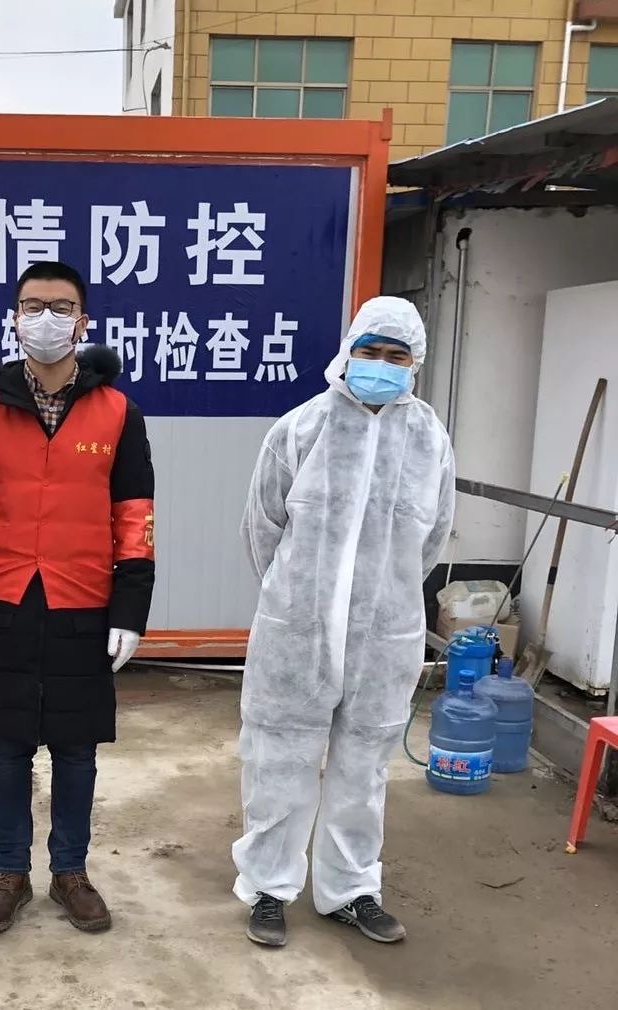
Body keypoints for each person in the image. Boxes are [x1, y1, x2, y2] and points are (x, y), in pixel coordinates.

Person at [0, 261, 155, 936]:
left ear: (82, 322)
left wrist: (131, 611)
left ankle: (69, 872)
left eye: (61, 308)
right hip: (4, 597)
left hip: (83, 600)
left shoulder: (117, 412)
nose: (47, 319)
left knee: (76, 749)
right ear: (14, 318)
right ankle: (10, 873)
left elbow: (134, 517)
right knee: (7, 748)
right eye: (33, 306)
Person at [233, 296, 455, 948]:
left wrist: (384, 602)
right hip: (297, 631)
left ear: (414, 363)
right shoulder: (300, 429)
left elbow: (432, 538)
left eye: (395, 355)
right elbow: (263, 527)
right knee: (279, 761)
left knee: (365, 771)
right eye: (370, 351)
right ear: (348, 351)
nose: (380, 365)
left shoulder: (430, 441)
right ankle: (269, 889)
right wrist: (297, 600)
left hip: (384, 637)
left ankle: (352, 890)